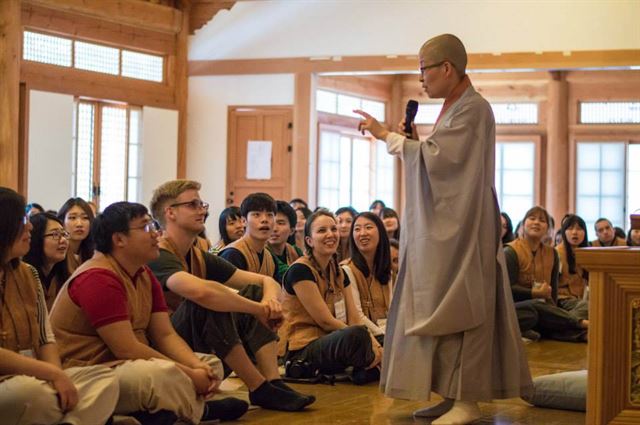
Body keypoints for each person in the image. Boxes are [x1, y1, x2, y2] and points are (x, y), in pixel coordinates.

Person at [355, 33, 531, 424]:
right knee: (440, 301)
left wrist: (388, 136)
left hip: (465, 230)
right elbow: (438, 161)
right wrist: (414, 144)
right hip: (451, 227)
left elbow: (445, 163)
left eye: (424, 71)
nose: (421, 80)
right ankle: (451, 395)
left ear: (447, 68)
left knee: (462, 303)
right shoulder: (456, 108)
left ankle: (468, 399)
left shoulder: (473, 109)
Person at [50, 201, 247, 424]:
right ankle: (199, 412)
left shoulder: (142, 272)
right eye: (146, 228)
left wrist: (195, 366)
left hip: (127, 366)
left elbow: (165, 335)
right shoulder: (98, 277)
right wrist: (188, 374)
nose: (156, 234)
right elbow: (126, 348)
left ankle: (151, 414)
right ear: (119, 239)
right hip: (93, 373)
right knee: (162, 375)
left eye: (153, 226)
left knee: (210, 365)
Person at [147, 180, 314, 411]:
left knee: (254, 292)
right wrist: (260, 310)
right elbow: (201, 292)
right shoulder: (158, 254)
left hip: (199, 345)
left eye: (201, 203)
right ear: (170, 212)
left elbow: (267, 282)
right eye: (193, 204)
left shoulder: (197, 255)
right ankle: (258, 387)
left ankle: (273, 382)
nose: (202, 210)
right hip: (162, 350)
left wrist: (267, 302)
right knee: (207, 301)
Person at [0, 187, 118, 425]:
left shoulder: (27, 273)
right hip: (14, 381)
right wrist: (52, 374)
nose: (30, 226)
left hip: (37, 375)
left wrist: (56, 376)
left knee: (104, 378)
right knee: (28, 393)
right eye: (23, 220)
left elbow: (46, 337)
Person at [282, 210, 382, 383]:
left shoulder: (339, 272)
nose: (330, 235)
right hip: (303, 348)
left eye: (333, 229)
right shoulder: (300, 270)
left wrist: (376, 343)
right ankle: (369, 367)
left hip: (332, 340)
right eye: (322, 231)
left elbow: (354, 317)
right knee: (357, 335)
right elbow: (325, 321)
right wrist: (370, 343)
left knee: (383, 337)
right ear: (309, 241)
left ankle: (365, 368)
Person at [505, 207, 588, 343]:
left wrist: (553, 314)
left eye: (542, 220)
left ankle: (552, 331)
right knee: (532, 312)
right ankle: (581, 325)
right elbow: (506, 290)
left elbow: (553, 291)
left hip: (543, 308)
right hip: (516, 309)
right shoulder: (510, 251)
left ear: (548, 228)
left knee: (584, 307)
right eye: (532, 218)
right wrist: (533, 293)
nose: (536, 222)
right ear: (522, 224)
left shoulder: (551, 253)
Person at [341, 212, 392, 345]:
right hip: (367, 335)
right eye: (357, 229)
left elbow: (393, 308)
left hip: (389, 330)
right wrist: (383, 335)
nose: (362, 233)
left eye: (368, 227)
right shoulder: (347, 269)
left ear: (380, 232)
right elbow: (357, 316)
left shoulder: (387, 270)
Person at [219, 193, 277, 278]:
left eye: (269, 215)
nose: (264, 220)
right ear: (244, 221)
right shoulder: (232, 254)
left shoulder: (270, 257)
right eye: (257, 214)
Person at [23, 212, 71, 310]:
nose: (63, 240)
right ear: (36, 239)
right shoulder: (24, 276)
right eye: (55, 234)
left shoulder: (63, 277)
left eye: (64, 234)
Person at [556, 214, 590, 320]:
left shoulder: (588, 253)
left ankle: (566, 324)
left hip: (581, 299)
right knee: (590, 308)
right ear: (563, 232)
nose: (575, 232)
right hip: (562, 299)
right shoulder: (557, 253)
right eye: (570, 229)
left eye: (579, 229)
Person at [267, 200, 303, 284]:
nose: (274, 229)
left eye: (280, 223)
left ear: (292, 230)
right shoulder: (260, 252)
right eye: (271, 222)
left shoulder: (295, 251)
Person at [57, 198, 95, 273]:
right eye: (72, 218)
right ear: (62, 222)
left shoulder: (94, 252)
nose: (79, 224)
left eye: (85, 218)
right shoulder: (57, 252)